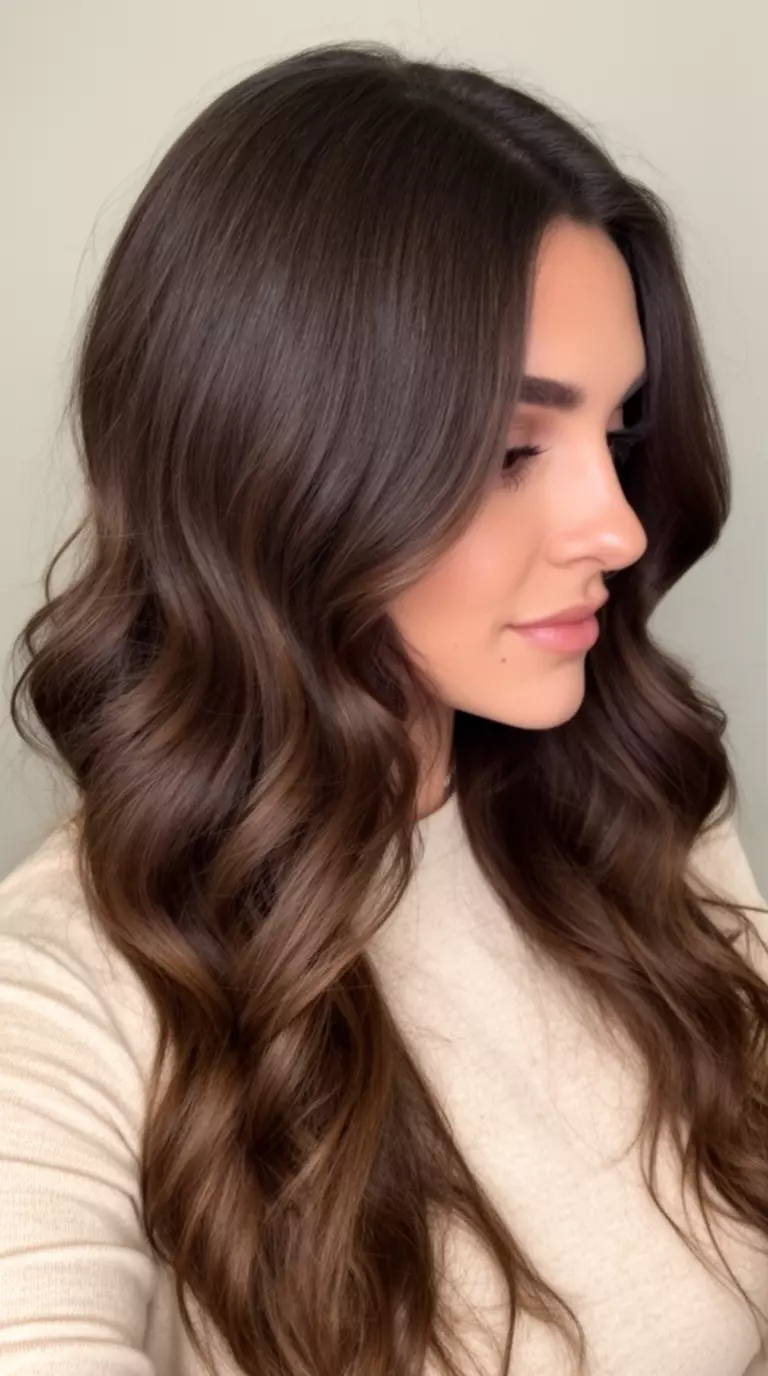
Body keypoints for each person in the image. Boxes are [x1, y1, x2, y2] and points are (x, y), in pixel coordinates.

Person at [1, 39, 767, 1376]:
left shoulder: (637, 806)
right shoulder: (66, 996)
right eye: (512, 448)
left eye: (620, 430)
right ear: (281, 466)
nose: (618, 525)